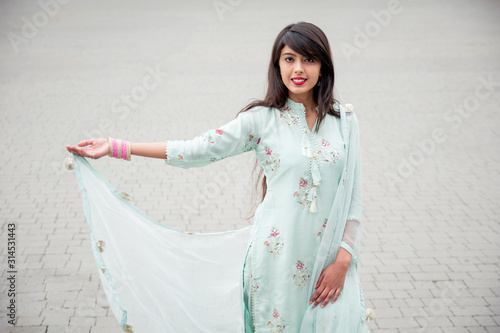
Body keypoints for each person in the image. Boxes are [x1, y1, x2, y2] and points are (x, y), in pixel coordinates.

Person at [66, 22, 370, 332]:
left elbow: (354, 197)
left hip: (331, 262)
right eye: (289, 59)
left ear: (323, 66)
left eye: (309, 59)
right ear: (277, 65)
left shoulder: (344, 120)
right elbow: (197, 150)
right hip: (278, 260)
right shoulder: (261, 121)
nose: (299, 68)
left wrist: (344, 259)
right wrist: (117, 147)